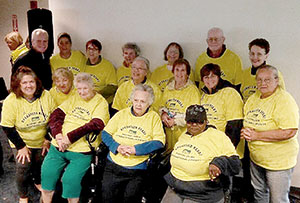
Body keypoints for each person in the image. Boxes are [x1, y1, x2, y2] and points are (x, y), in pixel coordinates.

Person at [41, 72, 109, 203]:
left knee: (70, 180)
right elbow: (56, 115)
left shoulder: (100, 102)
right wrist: (59, 136)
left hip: (81, 150)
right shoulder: (75, 97)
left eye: (85, 89)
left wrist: (70, 138)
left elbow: (96, 124)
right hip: (59, 145)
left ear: (92, 87)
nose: (81, 92)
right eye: (79, 89)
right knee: (47, 174)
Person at [241, 65, 299, 203]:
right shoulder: (253, 98)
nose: (262, 83)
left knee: (278, 199)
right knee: (260, 193)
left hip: (278, 162)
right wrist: (246, 132)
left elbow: (290, 131)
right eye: (259, 80)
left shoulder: (284, 100)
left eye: (267, 80)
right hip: (256, 159)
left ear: (277, 80)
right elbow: (249, 121)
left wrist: (257, 136)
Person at [161, 105, 241, 203]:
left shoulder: (217, 136)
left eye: (199, 122)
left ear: (206, 121)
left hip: (202, 192)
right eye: (190, 121)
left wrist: (218, 163)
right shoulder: (184, 136)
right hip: (176, 186)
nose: (194, 125)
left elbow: (236, 164)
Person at [101, 84, 165, 203]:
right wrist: (117, 147)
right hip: (113, 165)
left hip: (137, 169)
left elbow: (159, 142)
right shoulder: (122, 114)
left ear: (149, 103)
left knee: (130, 199)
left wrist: (136, 149)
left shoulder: (153, 117)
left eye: (143, 101)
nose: (138, 104)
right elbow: (105, 134)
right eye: (136, 100)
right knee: (107, 199)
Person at [0, 66, 56, 203]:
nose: (29, 85)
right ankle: (23, 195)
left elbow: (54, 119)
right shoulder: (11, 101)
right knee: (23, 167)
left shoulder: (46, 95)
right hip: (21, 140)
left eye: (31, 82)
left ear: (36, 82)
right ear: (18, 85)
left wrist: (47, 138)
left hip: (41, 139)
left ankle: (37, 181)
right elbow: (7, 126)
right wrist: (21, 147)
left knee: (40, 163)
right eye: (24, 83)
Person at [159, 59, 200, 152]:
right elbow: (162, 106)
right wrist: (163, 114)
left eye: (183, 70)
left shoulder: (193, 90)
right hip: (168, 135)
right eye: (177, 70)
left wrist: (175, 121)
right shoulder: (168, 88)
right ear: (173, 72)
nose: (179, 73)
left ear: (187, 73)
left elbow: (194, 115)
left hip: (184, 135)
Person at [199, 63, 243, 148]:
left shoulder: (230, 93)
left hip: (226, 148)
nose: (210, 80)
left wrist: (226, 149)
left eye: (213, 76)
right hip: (209, 147)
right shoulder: (204, 95)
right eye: (206, 77)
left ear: (218, 77)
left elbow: (235, 125)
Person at [82, 39, 117, 104]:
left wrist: (98, 94)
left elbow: (113, 86)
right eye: (89, 49)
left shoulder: (107, 65)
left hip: (102, 101)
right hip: (86, 100)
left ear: (99, 52)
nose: (91, 52)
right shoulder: (82, 64)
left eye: (95, 49)